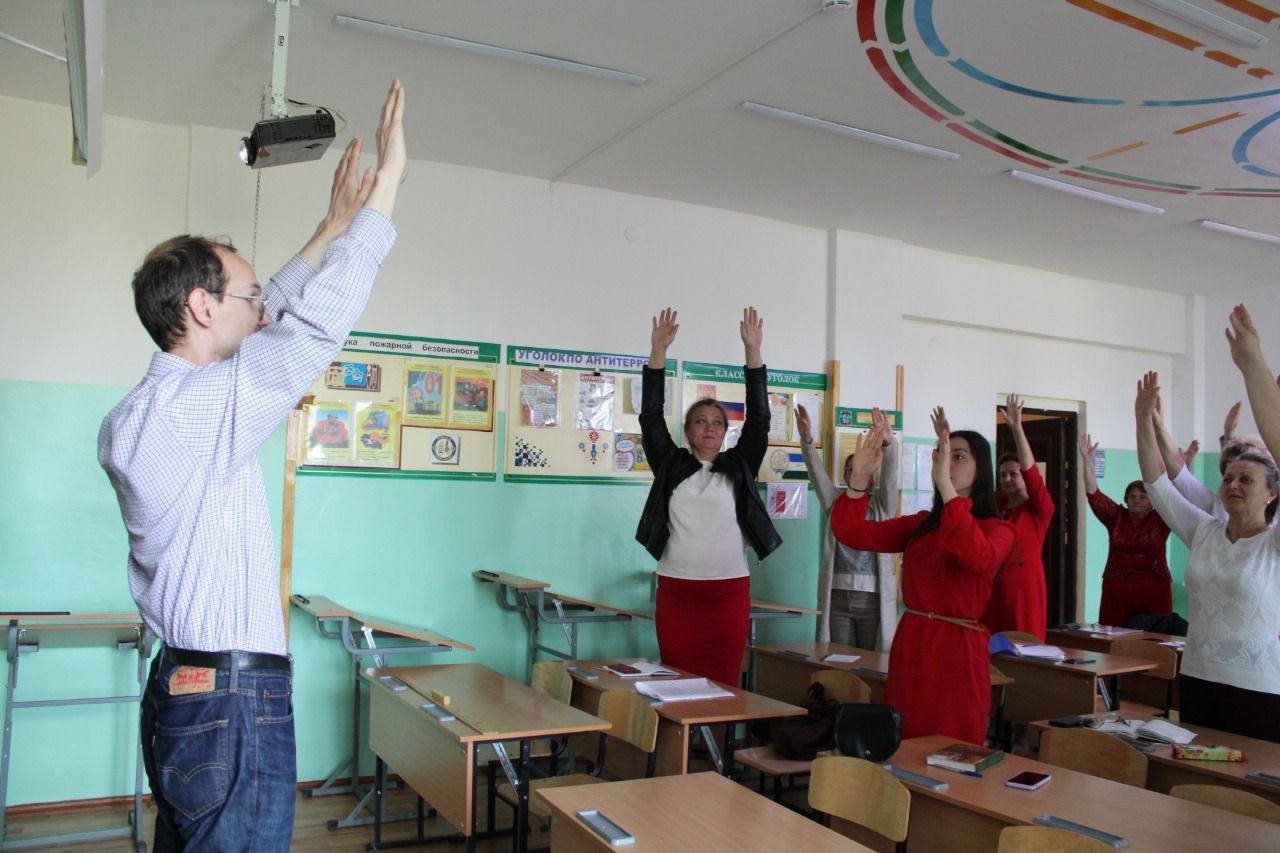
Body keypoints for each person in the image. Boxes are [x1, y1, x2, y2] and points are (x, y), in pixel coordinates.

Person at [97, 81, 408, 849]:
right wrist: (385, 195)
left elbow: (269, 315)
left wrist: (327, 229)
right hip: (232, 700)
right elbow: (308, 330)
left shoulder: (146, 414)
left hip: (184, 688)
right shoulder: (203, 408)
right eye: (246, 293)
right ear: (202, 307)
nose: (263, 304)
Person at [831, 408, 1014, 744]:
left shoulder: (998, 529)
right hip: (913, 643)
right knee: (905, 735)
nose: (946, 463)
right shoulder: (921, 524)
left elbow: (976, 557)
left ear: (980, 471)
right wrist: (859, 480)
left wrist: (946, 487)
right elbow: (851, 532)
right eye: (942, 455)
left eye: (958, 457)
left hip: (958, 648)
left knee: (953, 742)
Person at [1137, 312, 1280, 740]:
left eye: (1246, 480)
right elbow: (1158, 486)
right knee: (1195, 777)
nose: (1233, 485)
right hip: (1198, 678)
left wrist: (1253, 366)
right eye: (1229, 478)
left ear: (1271, 494)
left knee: (1252, 782)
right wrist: (1143, 419)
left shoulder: (1273, 545)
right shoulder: (1205, 531)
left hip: (1260, 689)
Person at [635, 306, 782, 686]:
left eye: (717, 423)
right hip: (678, 592)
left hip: (728, 593)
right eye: (701, 421)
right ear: (687, 430)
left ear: (726, 432)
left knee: (724, 684)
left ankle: (722, 732)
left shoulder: (741, 465)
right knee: (677, 683)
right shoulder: (670, 464)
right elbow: (650, 416)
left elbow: (760, 419)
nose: (710, 428)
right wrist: (658, 352)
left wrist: (753, 351)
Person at [796, 404, 898, 650]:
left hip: (873, 599)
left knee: (871, 662)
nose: (858, 472)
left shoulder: (882, 505)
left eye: (863, 468)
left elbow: (890, 478)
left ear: (872, 473)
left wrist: (889, 444)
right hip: (837, 596)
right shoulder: (836, 502)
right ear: (846, 475)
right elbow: (816, 474)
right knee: (840, 660)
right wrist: (807, 441)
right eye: (852, 469)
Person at [1079, 432, 1173, 628]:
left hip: (1154, 590)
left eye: (1143, 497)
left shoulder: (1162, 519)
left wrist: (1181, 465)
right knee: (1114, 638)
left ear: (1152, 502)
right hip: (1117, 591)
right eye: (1132, 496)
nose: (1137, 500)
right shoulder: (1115, 517)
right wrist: (1087, 462)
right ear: (1126, 499)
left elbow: (1175, 495)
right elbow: (1093, 492)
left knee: (1155, 638)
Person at [982, 394, 1054, 641]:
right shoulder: (996, 505)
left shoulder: (1039, 509)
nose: (1007, 479)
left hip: (1025, 593)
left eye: (1013, 474)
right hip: (993, 590)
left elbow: (1033, 475)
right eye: (1003, 475)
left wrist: (1016, 429)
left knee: (1025, 647)